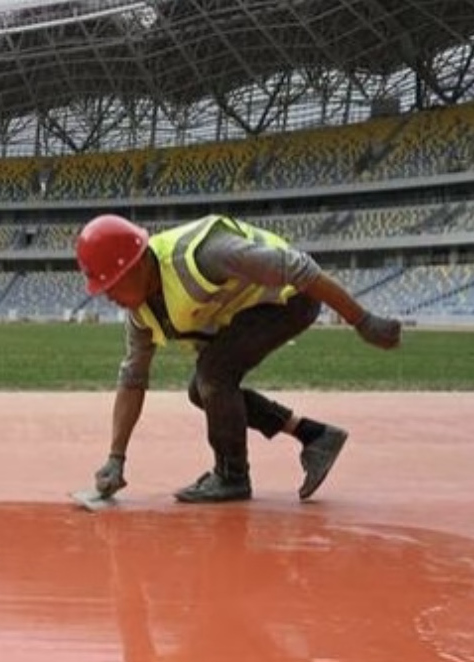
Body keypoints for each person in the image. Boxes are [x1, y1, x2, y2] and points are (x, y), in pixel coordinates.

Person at [76, 213, 401, 504]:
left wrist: (362, 320)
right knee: (201, 389)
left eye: (111, 285)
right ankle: (315, 437)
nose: (108, 296)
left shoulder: (204, 256)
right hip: (247, 314)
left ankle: (231, 476)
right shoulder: (139, 314)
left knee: (213, 374)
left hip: (292, 298)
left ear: (137, 266)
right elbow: (133, 378)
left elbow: (299, 267)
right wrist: (116, 457)